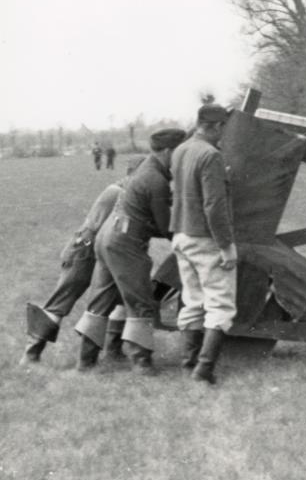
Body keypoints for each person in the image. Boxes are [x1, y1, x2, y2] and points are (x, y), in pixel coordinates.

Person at [73, 128, 187, 373]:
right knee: (141, 302)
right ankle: (142, 362)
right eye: (180, 152)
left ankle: (86, 361)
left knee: (101, 301)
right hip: (125, 243)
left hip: (108, 238)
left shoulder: (147, 170)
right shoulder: (155, 179)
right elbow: (164, 225)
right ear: (168, 152)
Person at [20, 160, 140, 365]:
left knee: (119, 298)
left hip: (98, 249)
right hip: (84, 249)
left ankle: (113, 350)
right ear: (134, 174)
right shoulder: (117, 192)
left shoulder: (122, 190)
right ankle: (31, 353)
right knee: (61, 301)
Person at [169, 103, 237, 385]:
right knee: (220, 306)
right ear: (218, 127)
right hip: (204, 238)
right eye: (224, 128)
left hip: (181, 234)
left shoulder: (180, 150)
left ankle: (188, 365)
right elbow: (214, 206)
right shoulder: (210, 155)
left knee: (193, 301)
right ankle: (203, 371)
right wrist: (226, 245)